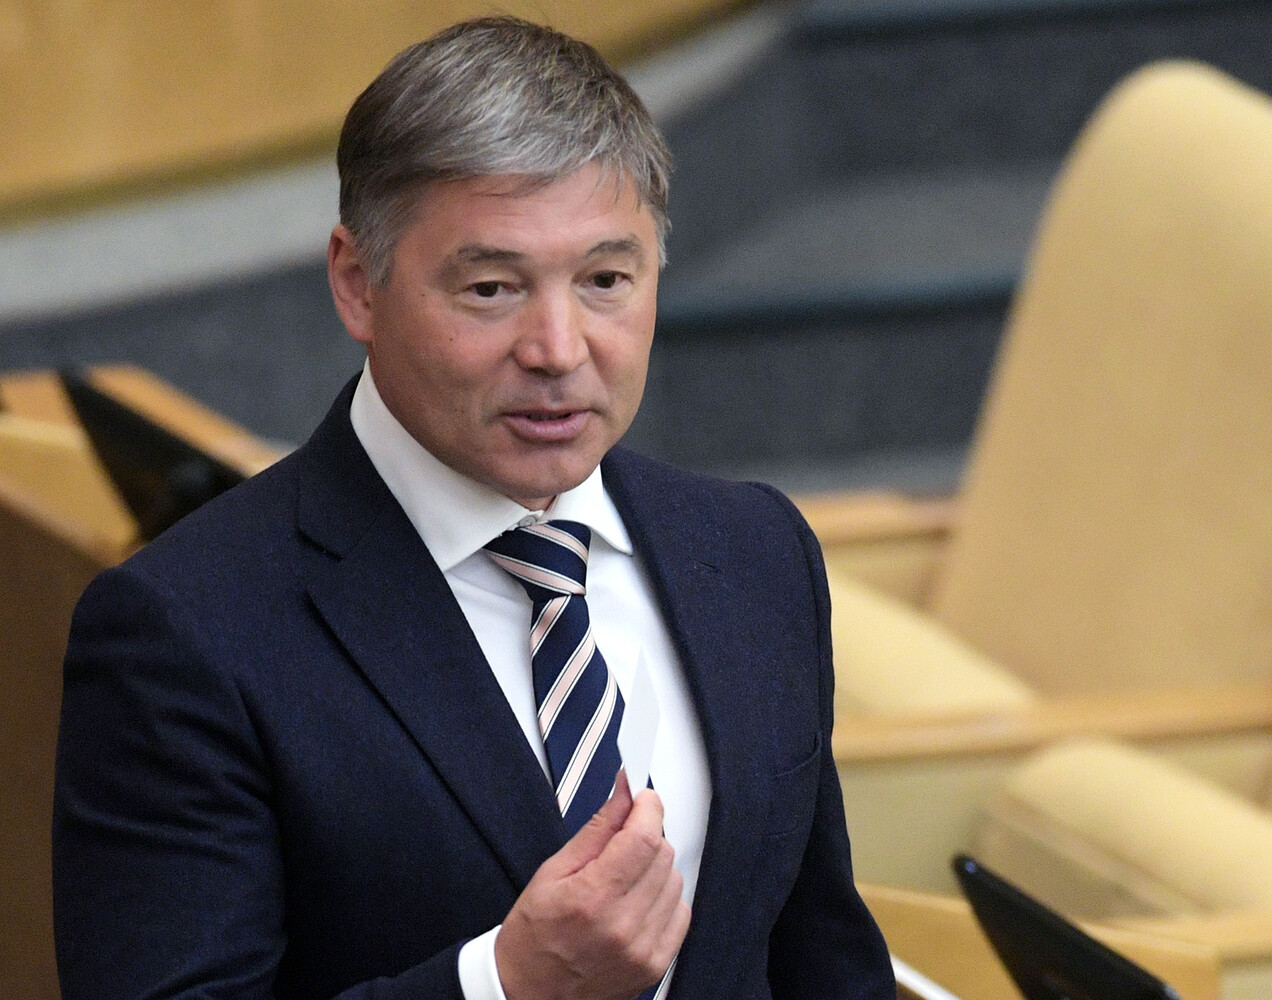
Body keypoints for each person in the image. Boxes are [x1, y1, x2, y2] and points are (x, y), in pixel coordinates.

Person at [51, 14, 896, 1000]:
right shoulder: (183, 630)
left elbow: (824, 965)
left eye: (606, 281)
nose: (558, 349)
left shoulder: (756, 552)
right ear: (357, 284)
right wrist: (503, 983)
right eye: (492, 288)